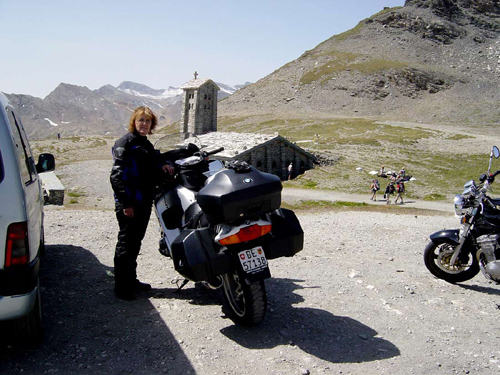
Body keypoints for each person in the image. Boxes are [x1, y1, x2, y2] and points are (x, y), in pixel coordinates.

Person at [110, 106, 173, 300]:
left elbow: (152, 163)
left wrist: (162, 165)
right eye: (141, 120)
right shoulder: (125, 143)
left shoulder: (145, 144)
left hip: (144, 200)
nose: (144, 124)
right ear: (134, 122)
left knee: (135, 243)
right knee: (126, 244)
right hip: (130, 203)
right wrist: (126, 203)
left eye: (148, 121)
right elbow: (116, 176)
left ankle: (131, 280)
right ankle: (121, 288)